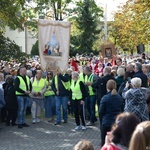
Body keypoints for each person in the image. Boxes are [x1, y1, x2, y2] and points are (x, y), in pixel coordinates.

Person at [99, 80, 123, 147]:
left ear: (107, 87)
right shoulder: (119, 98)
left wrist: (101, 121)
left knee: (104, 143)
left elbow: (101, 112)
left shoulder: (105, 98)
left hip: (106, 122)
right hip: (116, 123)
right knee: (116, 143)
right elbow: (122, 110)